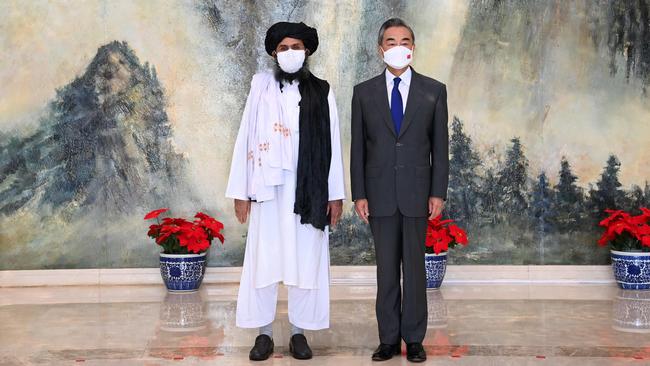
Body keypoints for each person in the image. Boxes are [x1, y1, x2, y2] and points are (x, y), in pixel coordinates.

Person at [225, 21, 345, 361]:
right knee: (264, 259)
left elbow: (332, 144)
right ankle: (262, 334)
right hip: (267, 188)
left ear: (306, 50)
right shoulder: (260, 87)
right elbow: (245, 136)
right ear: (274, 53)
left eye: (295, 47)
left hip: (309, 190)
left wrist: (334, 194)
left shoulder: (322, 91)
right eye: (283, 48)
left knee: (305, 259)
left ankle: (298, 333)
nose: (289, 52)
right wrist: (241, 190)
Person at [350, 18, 449, 363]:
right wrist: (359, 194)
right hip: (379, 195)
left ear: (413, 47)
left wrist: (437, 192)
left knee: (416, 271)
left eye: (404, 41)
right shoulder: (363, 93)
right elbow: (358, 148)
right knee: (386, 270)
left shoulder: (433, 91)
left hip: (417, 193)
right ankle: (388, 339)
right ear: (381, 50)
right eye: (391, 42)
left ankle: (415, 339)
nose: (398, 47)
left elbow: (440, 145)